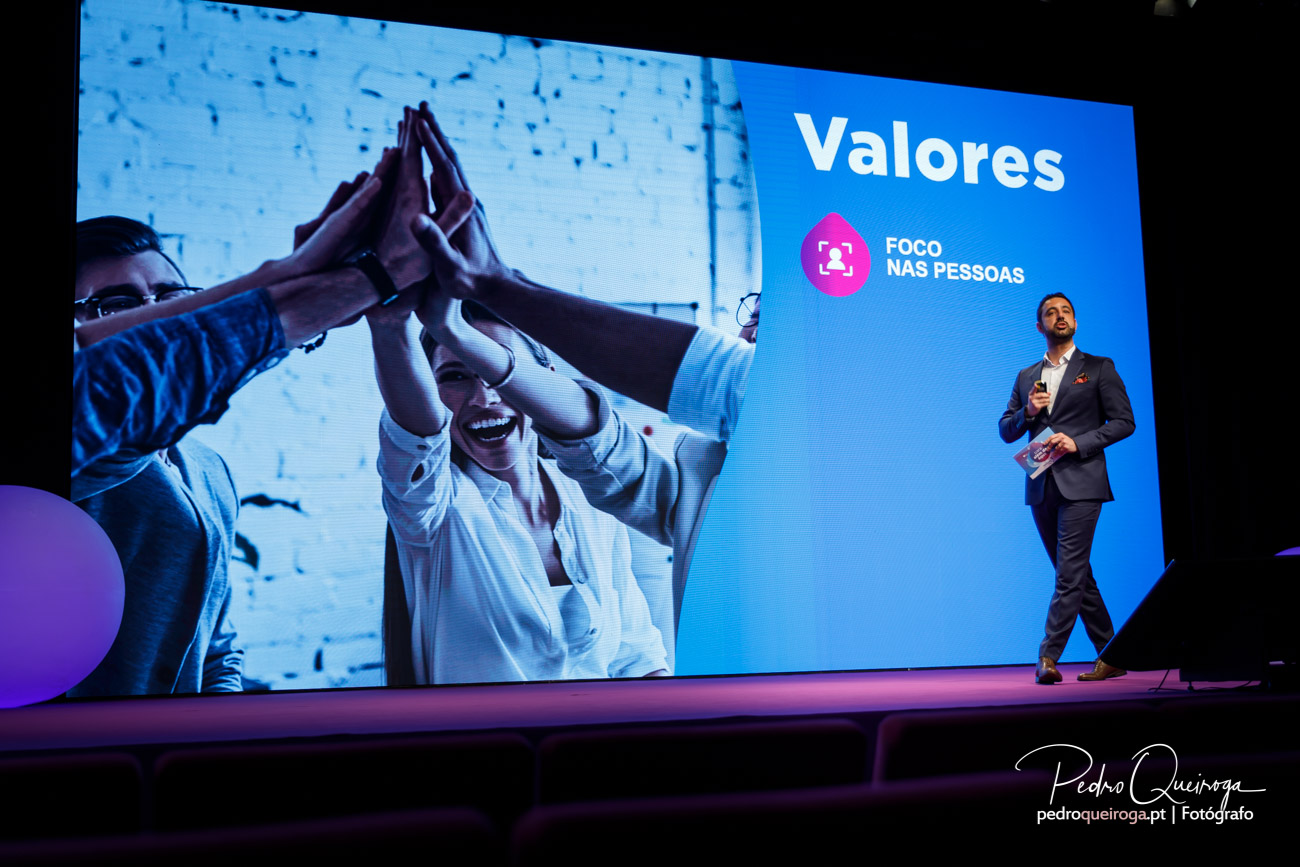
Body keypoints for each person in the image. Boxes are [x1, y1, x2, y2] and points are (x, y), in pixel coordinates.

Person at [68, 136, 475, 695]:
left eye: (171, 296)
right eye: (117, 304)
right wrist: (325, 283)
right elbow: (130, 391)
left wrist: (217, 723)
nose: (157, 315)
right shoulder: (85, 452)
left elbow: (215, 643)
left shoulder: (206, 469)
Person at [404, 105, 757, 649]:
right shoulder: (704, 472)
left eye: (767, 319)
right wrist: (455, 318)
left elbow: (729, 384)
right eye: (753, 309)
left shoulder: (825, 424)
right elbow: (608, 453)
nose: (749, 325)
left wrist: (497, 284)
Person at [999, 293, 1135, 685]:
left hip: (1083, 482)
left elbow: (1124, 422)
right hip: (1041, 484)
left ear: (1074, 321)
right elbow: (1005, 429)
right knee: (1074, 574)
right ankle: (1113, 654)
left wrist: (1079, 442)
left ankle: (1048, 656)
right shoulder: (1027, 376)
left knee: (1069, 575)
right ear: (1039, 326)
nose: (1060, 316)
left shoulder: (1098, 367)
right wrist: (1028, 412)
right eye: (1051, 313)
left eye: (1066, 311)